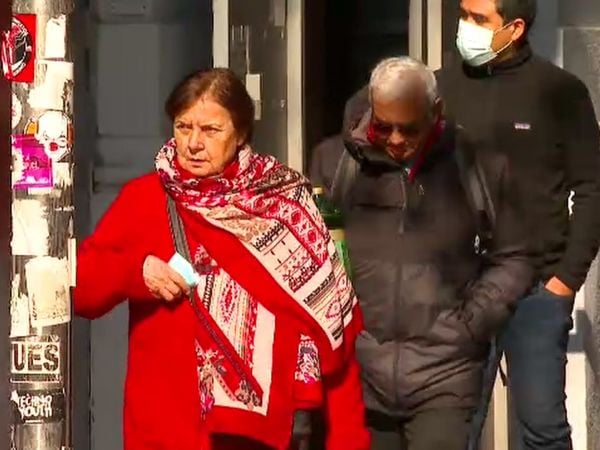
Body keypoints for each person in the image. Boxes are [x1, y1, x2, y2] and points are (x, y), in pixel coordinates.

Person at [74, 68, 370, 450]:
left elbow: (330, 330)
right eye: (183, 127)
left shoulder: (286, 206)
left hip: (268, 439)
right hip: (169, 434)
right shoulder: (145, 199)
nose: (194, 143)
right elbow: (80, 291)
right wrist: (136, 272)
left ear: (241, 133)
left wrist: (347, 441)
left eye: (211, 130)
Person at [310, 56, 532, 450]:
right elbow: (311, 252)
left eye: (409, 129)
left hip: (446, 373)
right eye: (383, 127)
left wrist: (473, 321)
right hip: (360, 372)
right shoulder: (334, 163)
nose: (395, 139)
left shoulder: (477, 164)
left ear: (436, 112)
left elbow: (515, 255)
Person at [436, 1, 600, 448]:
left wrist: (565, 281)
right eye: (463, 14)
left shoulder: (559, 92)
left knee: (543, 431)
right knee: (453, 432)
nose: (465, 26)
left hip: (536, 293)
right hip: (458, 293)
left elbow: (592, 189)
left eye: (478, 18)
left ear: (515, 28)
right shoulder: (439, 89)